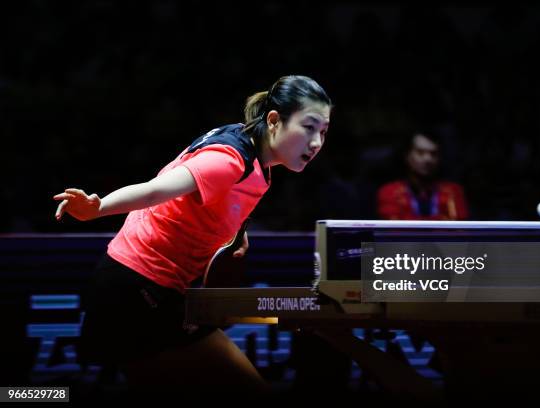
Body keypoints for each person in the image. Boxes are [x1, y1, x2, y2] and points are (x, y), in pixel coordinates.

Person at [52, 75, 331, 401]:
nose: (316, 142)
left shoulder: (257, 159)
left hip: (149, 285)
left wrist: (234, 234)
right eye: (309, 127)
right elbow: (157, 190)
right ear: (273, 120)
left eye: (323, 132)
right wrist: (97, 208)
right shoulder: (229, 160)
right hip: (136, 287)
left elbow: (210, 205)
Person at [377, 129, 468, 220]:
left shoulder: (453, 191)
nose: (428, 159)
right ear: (407, 156)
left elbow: (458, 227)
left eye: (433, 154)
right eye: (420, 152)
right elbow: (393, 228)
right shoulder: (389, 192)